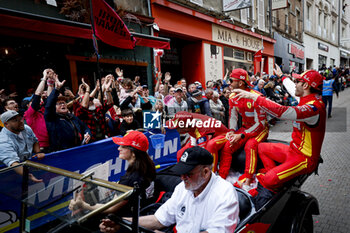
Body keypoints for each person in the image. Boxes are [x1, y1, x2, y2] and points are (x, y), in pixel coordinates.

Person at [99, 146, 239, 233]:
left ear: (206, 172)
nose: (182, 178)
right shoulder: (182, 188)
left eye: (188, 174)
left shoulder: (225, 194)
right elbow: (158, 219)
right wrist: (121, 221)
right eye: (181, 173)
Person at [233, 66, 326, 191]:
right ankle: (274, 175)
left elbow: (282, 112)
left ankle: (270, 180)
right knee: (260, 147)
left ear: (305, 86)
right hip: (293, 150)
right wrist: (282, 76)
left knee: (269, 180)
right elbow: (292, 89)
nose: (295, 84)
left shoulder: (314, 108)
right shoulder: (306, 98)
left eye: (298, 81)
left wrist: (254, 97)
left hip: (304, 158)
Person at [70, 131, 156, 227]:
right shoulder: (146, 167)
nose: (119, 148)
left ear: (134, 153)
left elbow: (111, 208)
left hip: (126, 222)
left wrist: (83, 205)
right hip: (140, 212)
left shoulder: (131, 179)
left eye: (123, 146)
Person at [208, 69, 268, 189]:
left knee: (250, 145)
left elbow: (260, 124)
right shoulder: (232, 96)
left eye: (231, 80)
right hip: (246, 128)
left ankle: (248, 178)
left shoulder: (256, 96)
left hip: (260, 130)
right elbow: (233, 117)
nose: (228, 83)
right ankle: (221, 178)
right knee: (228, 145)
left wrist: (241, 135)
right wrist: (231, 130)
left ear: (240, 83)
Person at [44, 75, 92, 151]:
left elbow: (85, 127)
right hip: (62, 154)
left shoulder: (72, 117)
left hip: (78, 150)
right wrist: (56, 89)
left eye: (63, 103)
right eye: (59, 104)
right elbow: (49, 105)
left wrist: (87, 133)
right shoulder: (52, 117)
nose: (63, 104)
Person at [0, 110, 44, 182]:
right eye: (15, 120)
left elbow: (35, 140)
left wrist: (38, 152)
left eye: (20, 118)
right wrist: (28, 175)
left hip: (28, 166)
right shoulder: (3, 141)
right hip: (10, 175)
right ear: (6, 124)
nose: (20, 121)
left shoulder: (26, 128)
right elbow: (13, 163)